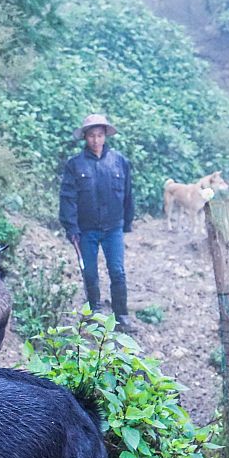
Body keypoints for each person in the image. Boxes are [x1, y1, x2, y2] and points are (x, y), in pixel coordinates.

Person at [59, 114, 134, 330]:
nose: (96, 140)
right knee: (89, 272)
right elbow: (68, 198)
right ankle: (95, 313)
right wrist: (71, 227)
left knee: (117, 271)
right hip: (85, 230)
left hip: (114, 229)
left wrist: (127, 222)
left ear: (105, 136)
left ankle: (121, 315)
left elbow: (128, 194)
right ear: (85, 137)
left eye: (99, 135)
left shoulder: (119, 161)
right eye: (91, 135)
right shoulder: (75, 164)